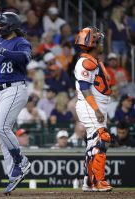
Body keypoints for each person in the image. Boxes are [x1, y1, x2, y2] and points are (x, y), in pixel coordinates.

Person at [0, 10, 32, 194]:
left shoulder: (20, 42)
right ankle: (14, 172)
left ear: (11, 26)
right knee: (3, 134)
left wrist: (2, 50)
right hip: (2, 92)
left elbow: (25, 58)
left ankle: (21, 162)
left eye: (1, 25)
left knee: (1, 128)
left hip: (15, 88)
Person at [74, 26, 113, 192]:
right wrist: (96, 110)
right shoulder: (85, 62)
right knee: (101, 138)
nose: (102, 42)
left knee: (93, 143)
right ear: (93, 43)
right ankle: (99, 181)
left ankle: (88, 182)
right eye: (99, 40)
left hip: (95, 106)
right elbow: (84, 87)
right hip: (90, 106)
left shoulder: (94, 61)